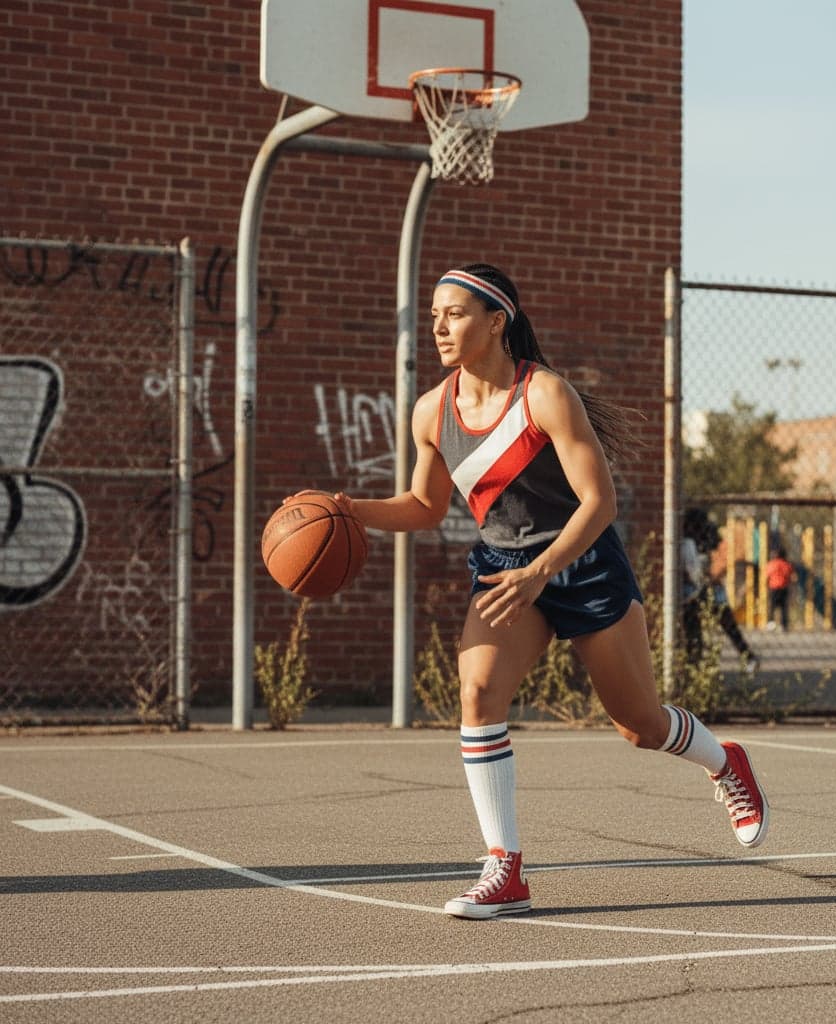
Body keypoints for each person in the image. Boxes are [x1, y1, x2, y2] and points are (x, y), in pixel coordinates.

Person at [288, 264, 769, 919]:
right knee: (478, 691)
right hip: (503, 570)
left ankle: (725, 762)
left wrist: (543, 570)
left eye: (454, 314)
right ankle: (504, 868)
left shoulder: (545, 395)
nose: (439, 326)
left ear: (496, 321)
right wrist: (347, 510)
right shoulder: (432, 411)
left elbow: (599, 503)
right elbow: (427, 506)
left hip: (582, 566)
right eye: (434, 316)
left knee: (640, 724)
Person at [681, 507, 759, 674]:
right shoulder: (689, 543)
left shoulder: (694, 542)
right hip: (697, 591)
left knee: (703, 625)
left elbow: (702, 570)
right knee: (702, 626)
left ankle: (696, 664)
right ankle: (746, 656)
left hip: (701, 589)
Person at [764, 546, 795, 631]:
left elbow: (767, 576)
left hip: (774, 588)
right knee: (784, 608)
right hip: (784, 588)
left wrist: (767, 586)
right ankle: (784, 625)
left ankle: (771, 623)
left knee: (772, 606)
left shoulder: (771, 564)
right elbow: (791, 577)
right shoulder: (787, 564)